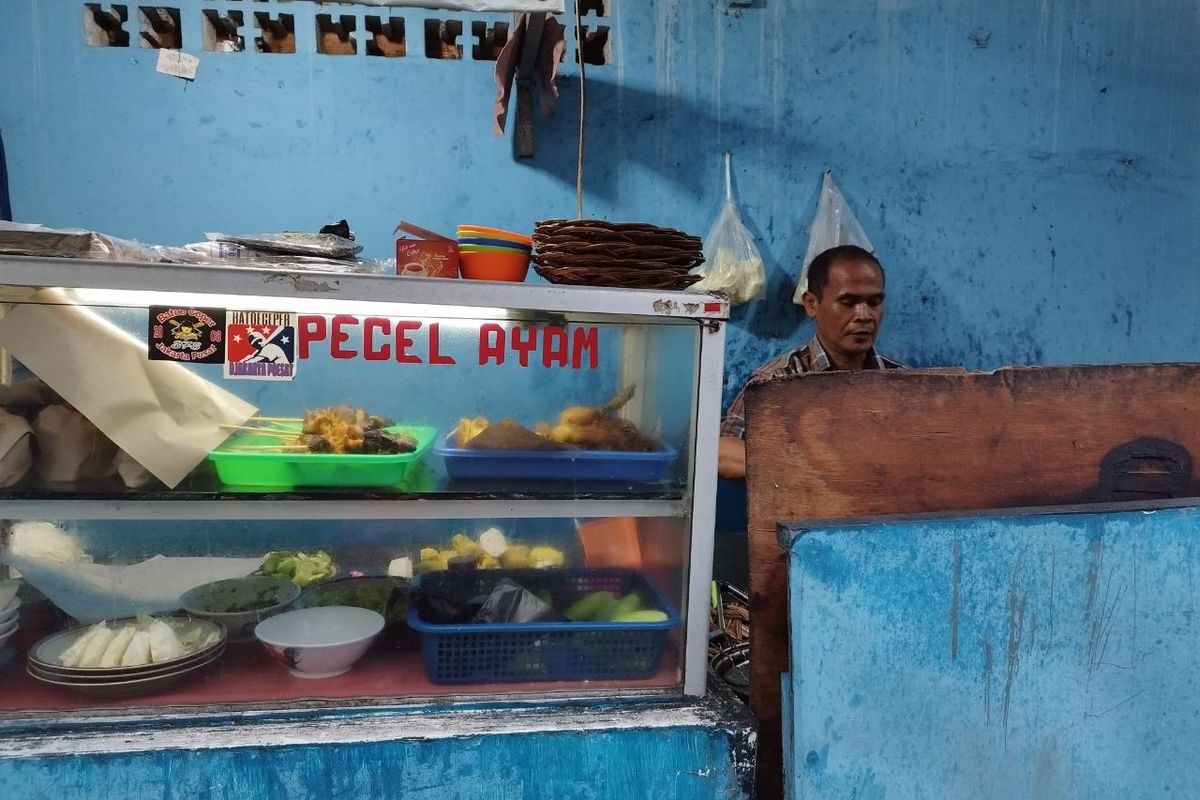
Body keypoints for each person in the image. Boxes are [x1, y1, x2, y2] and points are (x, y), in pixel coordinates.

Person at [717, 245, 906, 480]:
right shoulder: (776, 381)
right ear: (811, 304)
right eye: (848, 302)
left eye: (874, 302)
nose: (864, 315)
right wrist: (815, 469)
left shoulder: (903, 382)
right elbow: (723, 451)